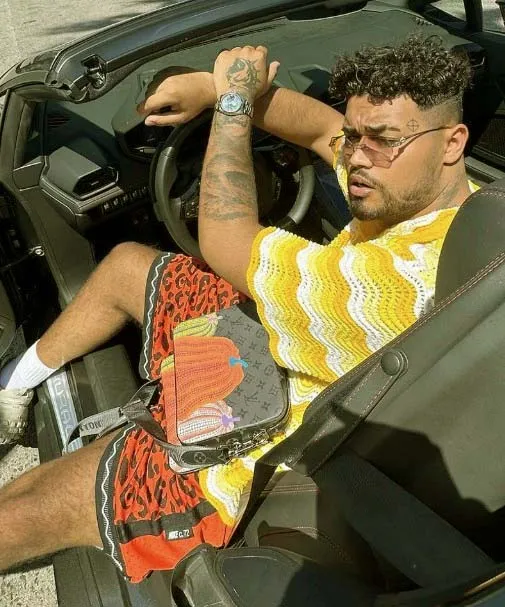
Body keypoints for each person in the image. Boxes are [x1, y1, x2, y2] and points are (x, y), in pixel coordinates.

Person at [0, 35, 474, 582]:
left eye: (384, 140)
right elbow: (322, 130)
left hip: (259, 448)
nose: (358, 157)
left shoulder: (393, 281)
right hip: (288, 348)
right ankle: (16, 381)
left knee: (29, 505)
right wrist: (213, 88)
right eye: (356, 136)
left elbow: (225, 240)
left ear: (452, 142)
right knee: (129, 264)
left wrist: (231, 107)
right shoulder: (436, 199)